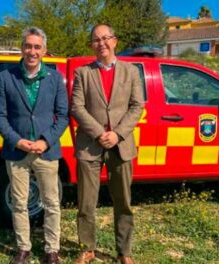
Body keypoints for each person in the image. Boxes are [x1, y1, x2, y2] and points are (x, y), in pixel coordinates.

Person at [0, 27, 69, 264]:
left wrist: (46, 140)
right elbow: (0, 116)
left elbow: (63, 115)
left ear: (44, 50)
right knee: (19, 202)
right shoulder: (6, 77)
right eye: (28, 46)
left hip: (46, 151)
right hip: (17, 151)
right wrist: (18, 141)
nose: (32, 51)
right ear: (22, 48)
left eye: (37, 47)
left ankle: (51, 249)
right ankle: (23, 247)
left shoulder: (55, 78)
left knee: (52, 203)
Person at [71, 23, 144, 264]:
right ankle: (87, 248)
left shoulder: (131, 71)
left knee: (123, 201)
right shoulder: (83, 73)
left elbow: (137, 106)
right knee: (86, 202)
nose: (101, 43)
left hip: (120, 145)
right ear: (92, 45)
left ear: (115, 41)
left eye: (105, 38)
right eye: (96, 39)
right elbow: (77, 107)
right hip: (90, 144)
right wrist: (100, 132)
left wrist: (118, 133)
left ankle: (124, 251)